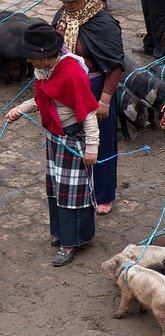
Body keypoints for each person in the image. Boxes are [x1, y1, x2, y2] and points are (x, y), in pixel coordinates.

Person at [5, 23, 99, 267]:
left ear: (46, 56)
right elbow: (41, 99)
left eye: (33, 58)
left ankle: (71, 243)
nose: (30, 63)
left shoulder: (72, 74)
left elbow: (88, 113)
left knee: (72, 193)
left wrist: (92, 148)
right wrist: (21, 109)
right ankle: (64, 234)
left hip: (73, 138)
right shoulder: (45, 73)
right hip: (55, 137)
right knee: (58, 188)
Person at [53, 0, 124, 216]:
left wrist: (104, 100)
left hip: (95, 88)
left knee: (100, 140)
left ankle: (103, 194)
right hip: (68, 87)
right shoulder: (62, 16)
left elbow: (115, 65)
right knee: (72, 138)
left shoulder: (103, 22)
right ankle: (76, 187)